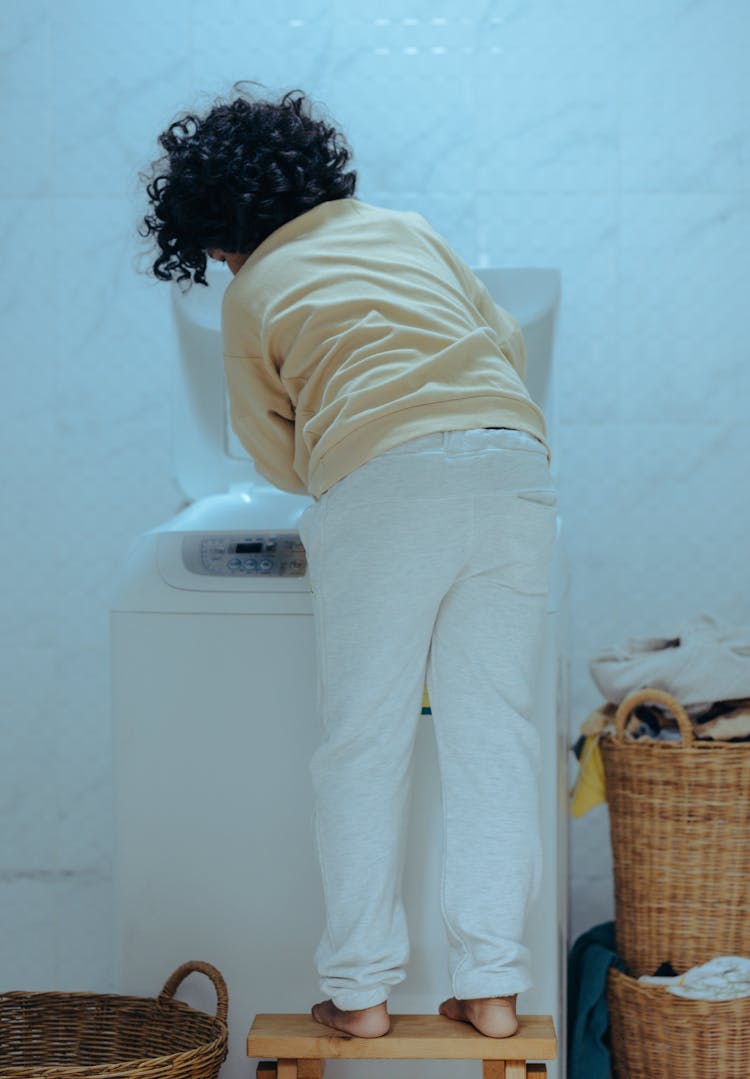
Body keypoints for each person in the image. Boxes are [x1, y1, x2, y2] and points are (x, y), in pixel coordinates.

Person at [139, 84, 557, 1041]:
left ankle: (361, 992)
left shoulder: (252, 292)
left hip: (382, 482)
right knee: (495, 738)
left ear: (217, 234)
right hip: (510, 461)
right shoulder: (404, 228)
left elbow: (269, 448)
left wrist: (351, 457)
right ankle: (493, 988)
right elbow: (504, 342)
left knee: (364, 744)